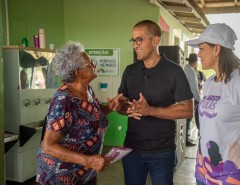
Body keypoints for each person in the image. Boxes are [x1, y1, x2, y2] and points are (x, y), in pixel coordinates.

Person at [185, 23, 240, 185]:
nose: (198, 54)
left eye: (202, 48)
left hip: (231, 175)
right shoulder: (210, 83)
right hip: (203, 171)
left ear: (217, 49)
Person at [117, 20, 193, 185]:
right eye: (133, 40)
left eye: (140, 40)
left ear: (155, 40)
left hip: (162, 152)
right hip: (132, 150)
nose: (135, 45)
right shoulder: (130, 71)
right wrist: (119, 107)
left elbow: (187, 110)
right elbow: (124, 107)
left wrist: (150, 110)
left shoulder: (174, 72)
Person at [36, 41, 122, 185]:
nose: (94, 65)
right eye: (90, 63)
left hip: (85, 172)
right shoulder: (64, 101)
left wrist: (109, 108)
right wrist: (87, 160)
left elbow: (91, 116)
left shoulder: (87, 91)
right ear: (78, 72)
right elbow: (48, 145)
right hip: (61, 175)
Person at [183, 53, 199, 146]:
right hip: (191, 98)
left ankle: (186, 138)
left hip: (186, 97)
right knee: (188, 119)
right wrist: (198, 98)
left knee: (187, 119)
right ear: (196, 62)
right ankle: (186, 139)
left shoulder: (186, 68)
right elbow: (194, 87)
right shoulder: (191, 71)